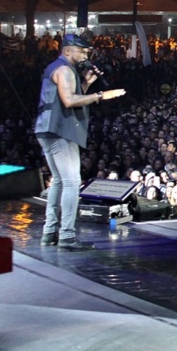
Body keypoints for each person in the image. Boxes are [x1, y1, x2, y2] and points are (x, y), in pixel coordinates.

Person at [34, 34, 127, 250]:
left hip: (48, 129)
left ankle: (50, 232)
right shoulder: (64, 69)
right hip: (60, 130)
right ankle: (66, 236)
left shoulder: (58, 68)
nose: (86, 55)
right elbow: (69, 101)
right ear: (67, 51)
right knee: (71, 182)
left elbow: (69, 97)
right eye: (82, 51)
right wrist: (102, 95)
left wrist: (85, 84)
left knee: (58, 180)